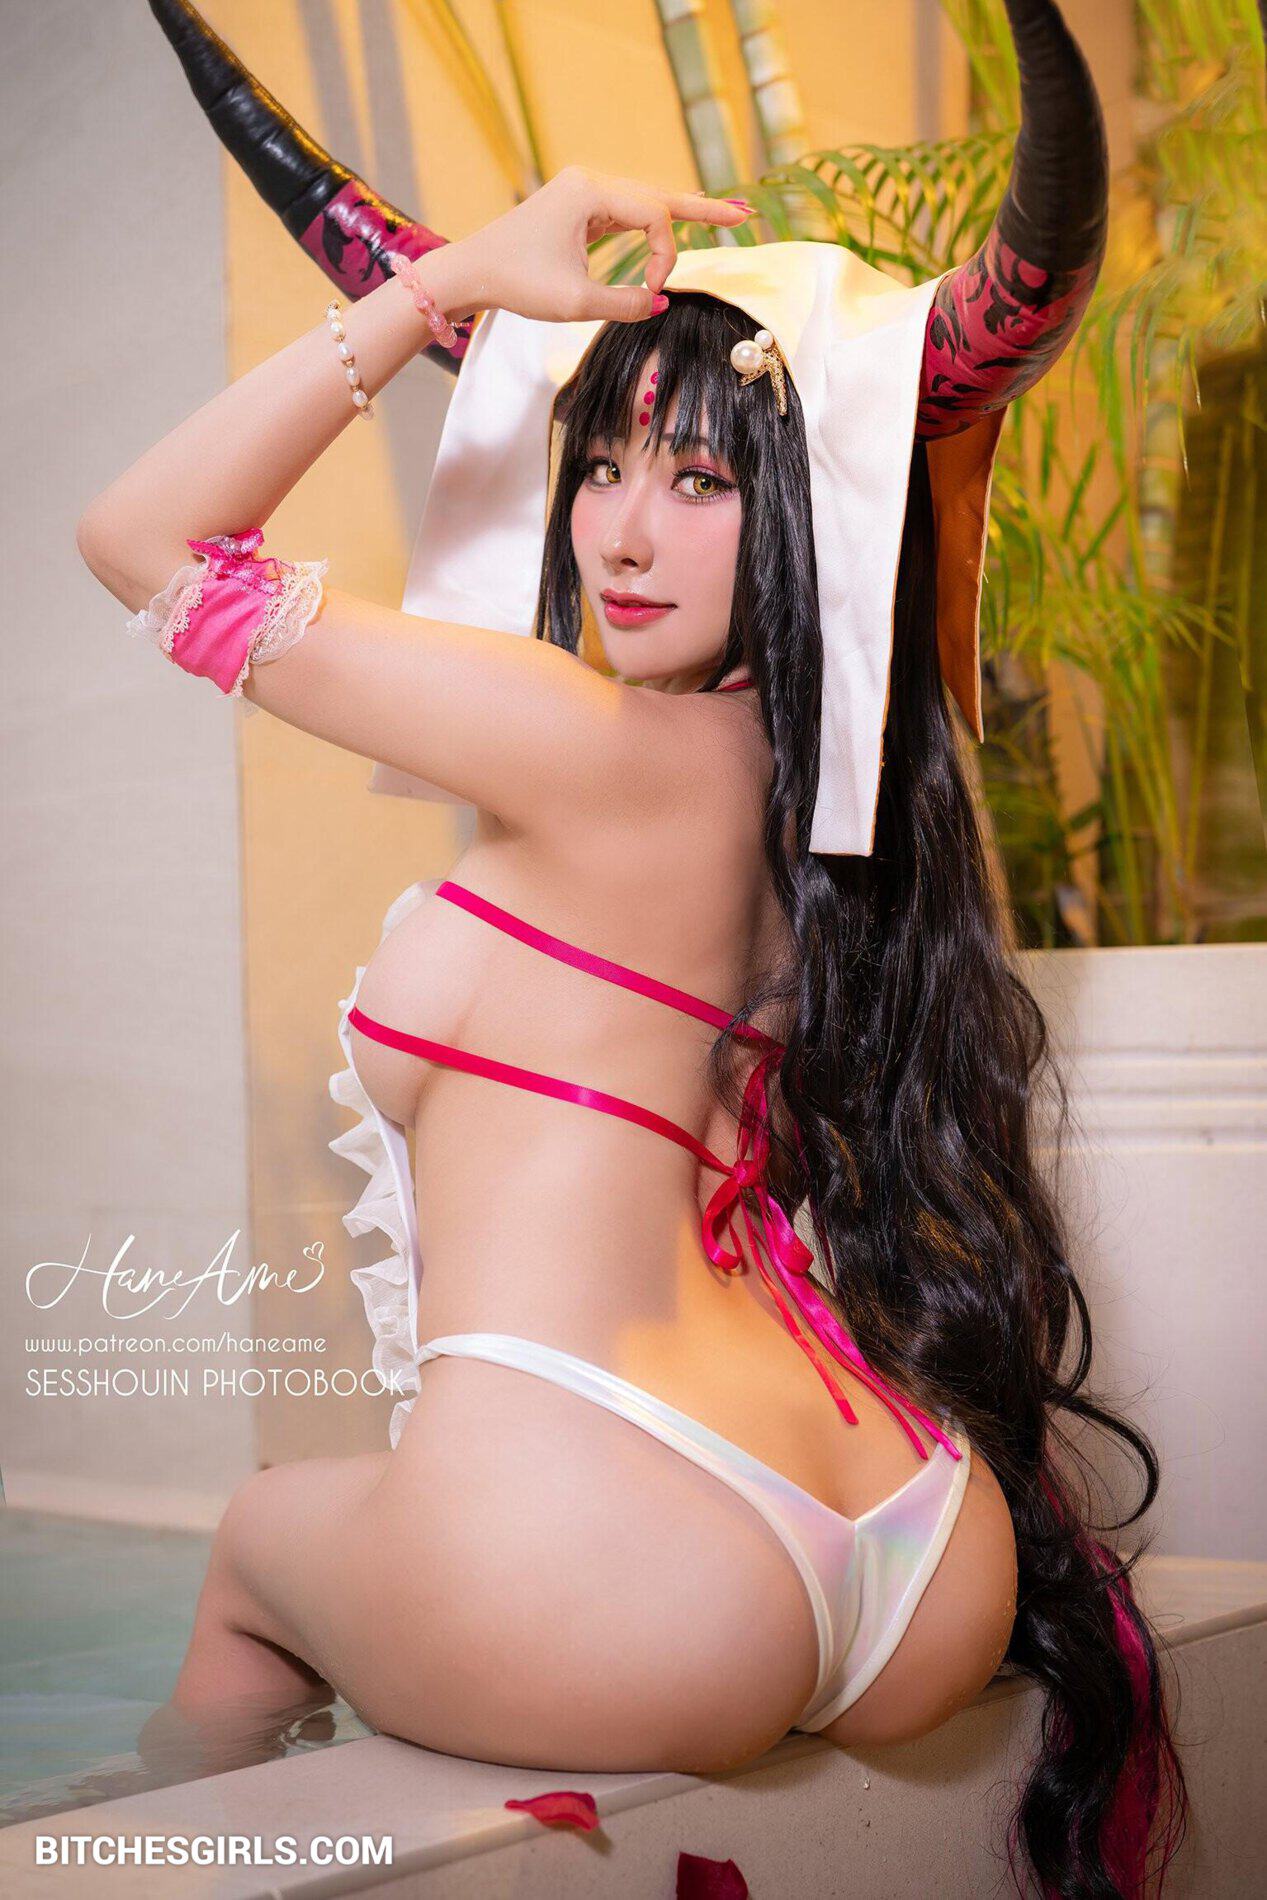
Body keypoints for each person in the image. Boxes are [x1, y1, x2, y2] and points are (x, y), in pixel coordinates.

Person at [78, 7, 1187, 1896]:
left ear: (806, 511)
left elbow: (145, 542)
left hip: (632, 1574)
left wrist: (442, 289)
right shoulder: (837, 794)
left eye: (702, 480)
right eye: (602, 464)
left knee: (259, 1537)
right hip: (908, 1536)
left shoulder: (599, 747)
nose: (622, 533)